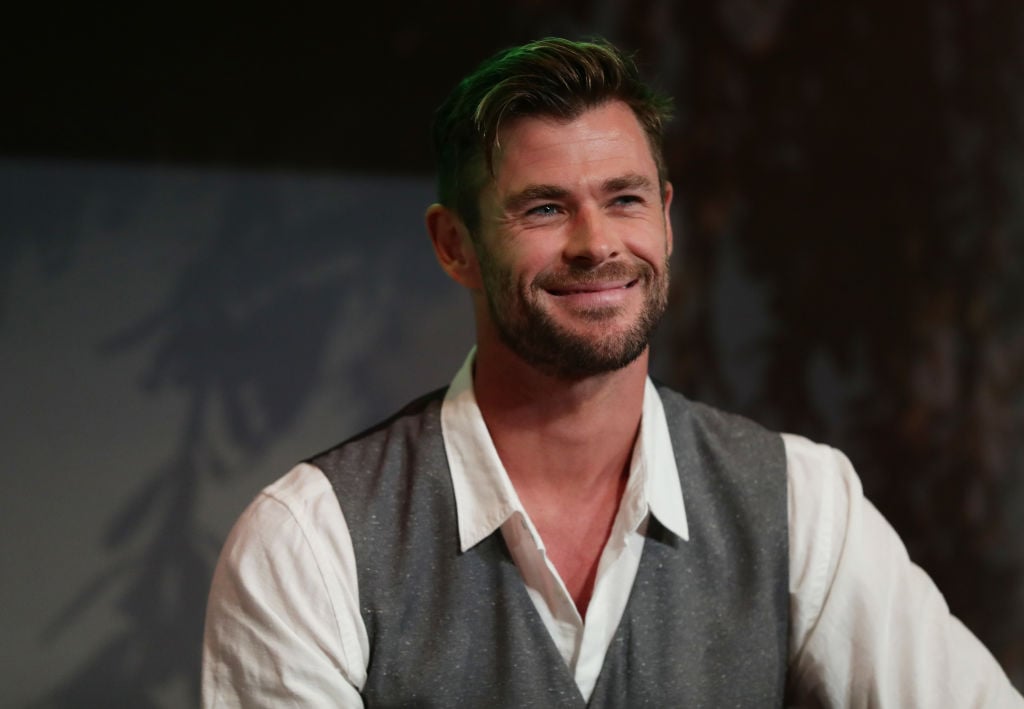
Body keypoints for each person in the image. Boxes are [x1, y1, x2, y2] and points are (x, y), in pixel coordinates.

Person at [201, 37, 1023, 707]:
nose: (597, 243)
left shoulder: (801, 505)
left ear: (665, 218)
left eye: (625, 199)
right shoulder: (309, 543)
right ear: (455, 245)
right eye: (544, 208)